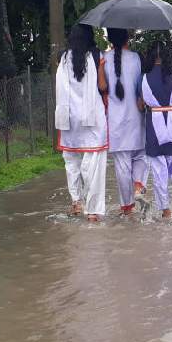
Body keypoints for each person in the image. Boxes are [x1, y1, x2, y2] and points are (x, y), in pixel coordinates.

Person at [55, 24, 109, 222]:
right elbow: (102, 86)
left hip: (69, 117)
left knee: (71, 161)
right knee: (93, 161)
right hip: (92, 116)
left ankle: (77, 202)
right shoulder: (96, 56)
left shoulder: (61, 57)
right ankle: (92, 211)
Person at [138, 43, 172, 219]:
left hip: (154, 131)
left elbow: (140, 105)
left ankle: (165, 211)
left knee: (159, 172)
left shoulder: (142, 78)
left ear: (150, 58)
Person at [104, 28, 148, 216]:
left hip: (115, 121)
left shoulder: (103, 60)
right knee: (141, 156)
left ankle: (127, 207)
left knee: (122, 166)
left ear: (110, 39)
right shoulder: (137, 58)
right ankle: (139, 184)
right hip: (137, 117)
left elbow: (102, 88)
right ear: (127, 38)